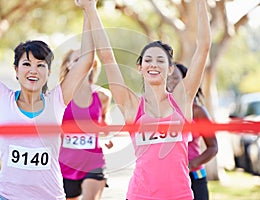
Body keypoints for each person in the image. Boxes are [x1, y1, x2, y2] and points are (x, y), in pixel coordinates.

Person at [0, 1, 94, 199]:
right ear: (16, 70)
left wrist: (89, 8)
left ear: (48, 72)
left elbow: (87, 60)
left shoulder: (57, 100)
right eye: (26, 64)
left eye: (41, 65)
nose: (33, 70)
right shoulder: (1, 98)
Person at [78, 0, 211, 199]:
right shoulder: (132, 105)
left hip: (180, 195)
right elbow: (107, 57)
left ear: (170, 68)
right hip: (140, 195)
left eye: (160, 60)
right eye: (148, 60)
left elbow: (204, 47)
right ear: (140, 67)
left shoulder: (182, 101)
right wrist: (90, 8)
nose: (153, 64)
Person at [58, 48, 112, 200]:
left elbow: (104, 121)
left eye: (86, 61)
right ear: (68, 66)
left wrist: (106, 136)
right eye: (77, 60)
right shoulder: (59, 95)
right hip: (65, 163)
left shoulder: (102, 96)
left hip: (93, 161)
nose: (82, 65)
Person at [168, 63, 218, 200]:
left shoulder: (198, 111)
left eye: (175, 78)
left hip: (195, 176)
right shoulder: (158, 113)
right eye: (167, 78)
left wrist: (190, 165)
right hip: (169, 177)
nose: (171, 82)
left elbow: (213, 147)